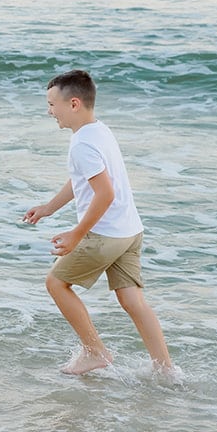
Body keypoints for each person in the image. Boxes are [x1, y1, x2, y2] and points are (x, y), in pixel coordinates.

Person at [24, 69, 174, 375]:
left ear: (74, 104)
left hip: (105, 234)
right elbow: (81, 179)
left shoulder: (81, 144)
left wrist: (77, 234)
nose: (49, 111)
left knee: (56, 283)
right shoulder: (99, 131)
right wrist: (49, 208)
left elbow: (105, 194)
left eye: (52, 104)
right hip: (129, 231)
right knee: (132, 301)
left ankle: (95, 352)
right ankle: (166, 371)